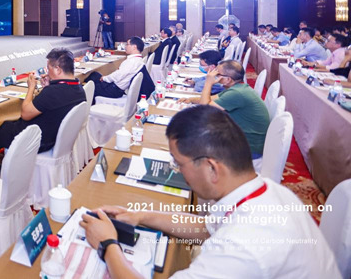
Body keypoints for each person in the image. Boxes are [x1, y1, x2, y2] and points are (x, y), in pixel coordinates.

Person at [79, 105, 341, 279]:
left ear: (212, 168)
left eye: (179, 164)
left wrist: (107, 245)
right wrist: (139, 216)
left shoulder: (244, 245)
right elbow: (205, 227)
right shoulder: (264, 191)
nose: (178, 171)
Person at [0, 48, 84, 176]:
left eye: (48, 68)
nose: (47, 72)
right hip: (53, 136)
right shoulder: (79, 89)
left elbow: (25, 114)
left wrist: (31, 88)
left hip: (36, 140)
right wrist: (48, 88)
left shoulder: (53, 92)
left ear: (58, 69)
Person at [198, 60, 270, 161]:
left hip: (247, 149)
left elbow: (204, 108)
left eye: (217, 74)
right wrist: (189, 99)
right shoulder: (239, 88)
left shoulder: (237, 94)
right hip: (244, 139)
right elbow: (211, 99)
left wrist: (208, 83)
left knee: (197, 141)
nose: (214, 76)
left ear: (228, 79)